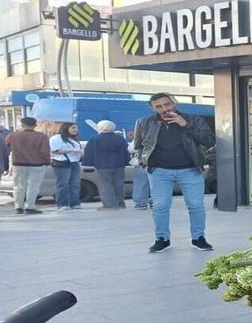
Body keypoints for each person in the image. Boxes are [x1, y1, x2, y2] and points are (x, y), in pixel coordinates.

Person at [134, 92, 215, 253]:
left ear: (174, 103)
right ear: (152, 108)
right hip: (159, 171)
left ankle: (198, 238)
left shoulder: (193, 119)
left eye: (167, 104)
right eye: (159, 106)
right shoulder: (144, 122)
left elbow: (209, 140)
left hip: (190, 169)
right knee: (160, 206)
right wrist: (144, 163)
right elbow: (139, 146)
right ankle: (162, 239)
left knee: (196, 205)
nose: (164, 109)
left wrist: (185, 125)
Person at [5, 116, 50, 214]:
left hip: (18, 164)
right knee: (33, 186)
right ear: (35, 125)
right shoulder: (42, 136)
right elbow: (45, 152)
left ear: (22, 124)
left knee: (18, 186)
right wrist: (47, 162)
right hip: (37, 164)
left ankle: (18, 207)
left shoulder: (13, 135)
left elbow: (7, 145)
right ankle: (30, 207)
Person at [82, 120, 130, 211]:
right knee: (119, 184)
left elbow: (89, 152)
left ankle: (110, 205)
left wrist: (88, 163)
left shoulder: (95, 139)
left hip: (103, 165)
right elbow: (125, 152)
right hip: (119, 164)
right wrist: (127, 162)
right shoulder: (120, 139)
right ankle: (120, 203)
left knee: (105, 185)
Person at [49, 122, 83, 211]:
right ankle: (62, 204)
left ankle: (75, 202)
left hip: (75, 162)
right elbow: (54, 150)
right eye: (73, 128)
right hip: (62, 162)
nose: (76, 130)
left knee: (75, 184)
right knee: (63, 184)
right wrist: (70, 150)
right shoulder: (57, 138)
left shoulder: (74, 139)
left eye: (76, 128)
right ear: (66, 128)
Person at [128, 132, 151, 210]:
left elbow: (131, 149)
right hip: (157, 163)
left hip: (141, 163)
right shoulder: (158, 135)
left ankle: (141, 203)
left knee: (141, 183)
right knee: (155, 183)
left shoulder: (139, 137)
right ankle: (154, 202)